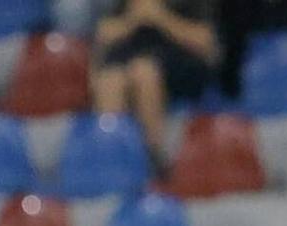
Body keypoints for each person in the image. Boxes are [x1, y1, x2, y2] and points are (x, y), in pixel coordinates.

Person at [92, 0, 221, 171]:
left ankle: (153, 158)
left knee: (144, 72)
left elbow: (205, 42)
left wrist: (160, 18)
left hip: (179, 61)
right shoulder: (128, 4)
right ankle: (112, 155)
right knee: (110, 79)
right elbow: (104, 34)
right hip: (131, 56)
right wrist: (134, 19)